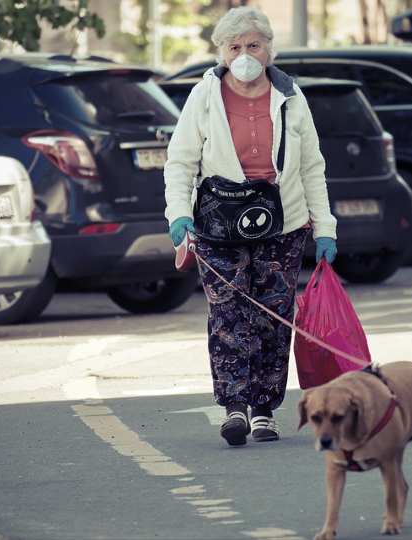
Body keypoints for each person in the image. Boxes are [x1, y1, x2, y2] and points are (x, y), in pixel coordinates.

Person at [164, 6, 337, 447]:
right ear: (223, 52)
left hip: (284, 222)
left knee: (274, 314)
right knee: (228, 313)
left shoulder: (291, 97)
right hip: (218, 222)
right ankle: (235, 407)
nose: (244, 54)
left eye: (253, 45)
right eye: (235, 47)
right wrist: (178, 212)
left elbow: (313, 167)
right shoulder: (204, 96)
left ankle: (264, 411)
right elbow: (181, 160)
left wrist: (326, 229)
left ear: (268, 49)